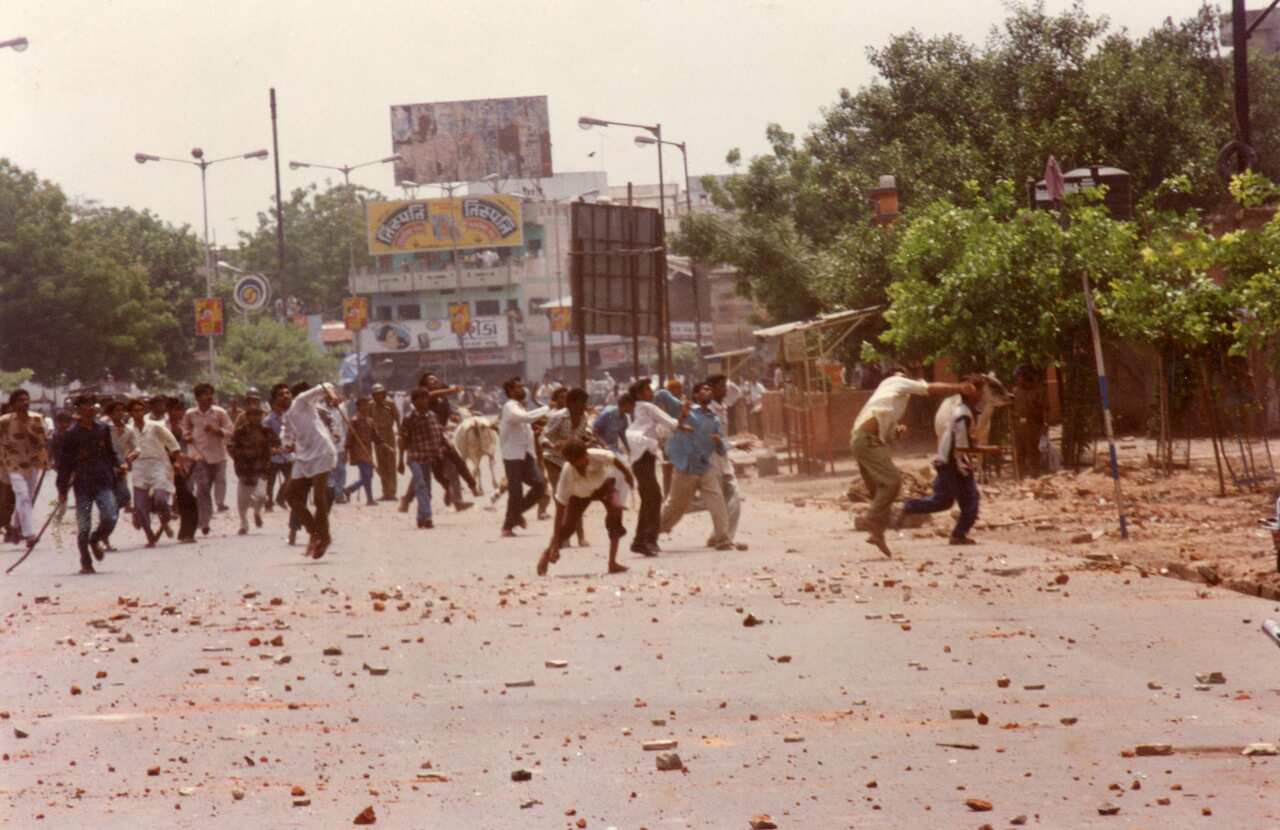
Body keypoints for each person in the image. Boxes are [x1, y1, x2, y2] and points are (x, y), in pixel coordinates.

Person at [850, 368, 974, 556]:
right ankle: (871, 518)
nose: (905, 379)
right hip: (867, 440)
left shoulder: (890, 402)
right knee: (893, 483)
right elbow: (929, 388)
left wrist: (896, 432)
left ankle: (876, 533)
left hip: (861, 440)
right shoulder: (894, 382)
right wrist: (960, 387)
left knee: (880, 492)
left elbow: (888, 434)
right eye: (903, 376)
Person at [901, 375, 1002, 545]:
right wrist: (990, 450)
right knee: (971, 501)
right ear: (972, 393)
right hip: (955, 464)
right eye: (982, 391)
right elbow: (962, 447)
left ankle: (908, 507)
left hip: (948, 462)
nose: (984, 395)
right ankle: (958, 535)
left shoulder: (964, 411)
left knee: (942, 502)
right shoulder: (963, 415)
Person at [537, 440, 635, 576]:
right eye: (572, 463)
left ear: (586, 455)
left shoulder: (595, 455)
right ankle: (546, 555)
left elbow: (614, 459)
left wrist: (628, 475)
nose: (577, 465)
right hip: (580, 495)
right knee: (568, 527)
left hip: (604, 486)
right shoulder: (567, 472)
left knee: (616, 512)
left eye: (580, 460)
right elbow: (560, 508)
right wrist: (554, 545)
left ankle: (612, 563)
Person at [658, 382, 734, 549]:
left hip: (704, 466)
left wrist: (727, 443)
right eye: (704, 389)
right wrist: (681, 412)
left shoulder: (713, 419)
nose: (709, 391)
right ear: (695, 395)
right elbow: (662, 394)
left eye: (710, 389)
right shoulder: (686, 410)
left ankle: (723, 540)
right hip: (686, 467)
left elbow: (720, 446)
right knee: (675, 508)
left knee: (717, 501)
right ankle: (652, 531)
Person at [56, 395, 126, 574]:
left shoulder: (103, 428)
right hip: (83, 484)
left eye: (91, 405)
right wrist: (62, 489)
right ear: (78, 409)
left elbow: (111, 452)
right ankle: (85, 561)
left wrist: (120, 464)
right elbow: (64, 465)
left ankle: (96, 539)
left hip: (104, 480)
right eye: (85, 405)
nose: (89, 408)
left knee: (110, 516)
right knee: (84, 526)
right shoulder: (70, 434)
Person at [283, 382, 342, 558]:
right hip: (303, 458)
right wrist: (287, 446)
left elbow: (325, 385)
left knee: (318, 497)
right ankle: (315, 532)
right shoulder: (287, 417)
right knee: (290, 494)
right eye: (280, 395)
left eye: (286, 393)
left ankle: (324, 537)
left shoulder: (301, 401)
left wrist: (332, 395)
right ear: (273, 401)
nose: (284, 396)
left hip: (322, 451)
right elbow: (286, 438)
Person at [625, 379, 680, 556]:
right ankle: (647, 540)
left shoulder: (636, 409)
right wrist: (684, 416)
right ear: (639, 394)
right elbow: (671, 423)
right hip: (644, 457)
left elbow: (659, 429)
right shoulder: (647, 407)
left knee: (650, 498)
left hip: (639, 458)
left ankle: (641, 540)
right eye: (647, 389)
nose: (651, 391)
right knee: (654, 497)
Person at [540, 387, 594, 547]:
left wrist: (588, 440)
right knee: (562, 498)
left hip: (572, 462)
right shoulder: (558, 417)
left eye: (585, 402)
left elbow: (585, 435)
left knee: (578, 497)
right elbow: (544, 436)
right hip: (554, 461)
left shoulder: (583, 417)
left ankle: (581, 536)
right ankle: (564, 537)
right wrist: (552, 445)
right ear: (571, 404)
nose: (584, 406)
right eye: (581, 403)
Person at [124, 396, 181, 546]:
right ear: (130, 413)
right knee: (141, 508)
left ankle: (166, 519)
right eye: (135, 410)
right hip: (139, 467)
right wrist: (126, 460)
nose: (138, 413)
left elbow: (173, 445)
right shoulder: (128, 430)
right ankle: (150, 536)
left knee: (160, 499)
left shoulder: (156, 426)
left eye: (141, 410)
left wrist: (177, 462)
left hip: (159, 464)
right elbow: (124, 449)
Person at [498, 377, 549, 537]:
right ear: (511, 391)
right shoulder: (510, 406)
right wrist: (548, 407)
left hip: (526, 454)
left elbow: (527, 424)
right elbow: (524, 418)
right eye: (519, 387)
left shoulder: (520, 406)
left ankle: (515, 515)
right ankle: (508, 526)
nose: (523, 390)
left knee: (540, 485)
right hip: (512, 455)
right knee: (516, 492)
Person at [0, 389, 50, 550]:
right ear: (13, 403)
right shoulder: (4, 421)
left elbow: (43, 442)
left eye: (26, 399)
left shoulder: (37, 418)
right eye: (20, 400)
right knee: (22, 495)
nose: (25, 403)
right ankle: (29, 534)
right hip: (12, 462)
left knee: (28, 496)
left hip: (32, 462)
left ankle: (15, 526)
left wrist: (46, 459)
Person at [182, 383, 233, 536]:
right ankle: (204, 521)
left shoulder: (219, 412)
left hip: (218, 455)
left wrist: (217, 431)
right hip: (200, 456)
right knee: (203, 489)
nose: (209, 397)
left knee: (220, 482)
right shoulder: (191, 413)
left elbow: (230, 430)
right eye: (205, 394)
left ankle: (220, 504)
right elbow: (184, 428)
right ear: (198, 398)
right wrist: (188, 436)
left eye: (211, 394)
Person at [707, 375, 749, 550]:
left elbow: (736, 392)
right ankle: (723, 538)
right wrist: (736, 444)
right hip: (711, 459)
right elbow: (713, 440)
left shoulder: (722, 406)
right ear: (712, 389)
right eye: (722, 386)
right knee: (727, 499)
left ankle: (719, 536)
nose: (726, 389)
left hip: (723, 458)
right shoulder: (708, 410)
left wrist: (725, 380)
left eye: (725, 385)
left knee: (726, 499)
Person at [397, 388, 446, 529]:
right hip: (415, 457)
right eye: (421, 398)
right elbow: (402, 440)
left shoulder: (432, 415)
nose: (425, 401)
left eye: (426, 398)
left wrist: (440, 451)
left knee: (426, 490)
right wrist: (400, 460)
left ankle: (420, 518)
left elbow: (438, 435)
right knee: (420, 484)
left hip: (428, 457)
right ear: (414, 401)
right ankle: (428, 515)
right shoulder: (409, 418)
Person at [228, 399, 278, 535]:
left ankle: (256, 511)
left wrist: (276, 449)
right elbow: (231, 447)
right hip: (245, 468)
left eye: (258, 414)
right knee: (242, 500)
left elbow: (276, 443)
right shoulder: (240, 431)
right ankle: (244, 524)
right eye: (252, 414)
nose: (256, 417)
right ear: (247, 416)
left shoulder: (267, 431)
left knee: (262, 495)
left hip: (262, 467)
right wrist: (241, 455)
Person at [344, 397, 389, 506]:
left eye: (366, 405)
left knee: (367, 476)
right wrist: (346, 453)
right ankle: (361, 494)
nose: (365, 407)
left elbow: (375, 436)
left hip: (368, 450)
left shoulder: (370, 420)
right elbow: (349, 438)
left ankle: (354, 491)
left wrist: (384, 444)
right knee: (368, 475)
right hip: (358, 451)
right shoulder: (354, 420)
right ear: (358, 407)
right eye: (363, 405)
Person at [167, 397, 199, 544]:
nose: (179, 413)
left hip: (184, 467)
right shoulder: (164, 427)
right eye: (176, 409)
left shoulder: (182, 427)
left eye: (181, 409)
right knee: (187, 500)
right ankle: (186, 533)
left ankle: (186, 533)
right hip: (168, 467)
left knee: (187, 500)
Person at [1011, 365, 1047, 479]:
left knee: (1033, 453)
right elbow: (1012, 408)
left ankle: (1034, 478)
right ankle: (1020, 478)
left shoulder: (1038, 390)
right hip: (1018, 426)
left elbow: (1045, 409)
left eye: (1020, 376)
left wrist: (1044, 426)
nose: (1018, 379)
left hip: (1033, 425)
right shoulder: (1016, 391)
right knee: (1019, 453)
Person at [264, 384, 293, 510]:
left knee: (291, 479)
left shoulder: (289, 417)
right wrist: (271, 449)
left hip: (287, 454)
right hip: (273, 455)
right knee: (270, 482)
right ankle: (268, 503)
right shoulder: (268, 420)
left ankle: (281, 498)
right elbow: (265, 439)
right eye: (280, 396)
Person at [369, 384, 400, 500]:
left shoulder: (390, 403)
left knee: (391, 463)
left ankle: (392, 491)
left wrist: (401, 432)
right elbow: (368, 419)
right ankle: (385, 491)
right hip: (377, 436)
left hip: (389, 434)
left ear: (384, 394)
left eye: (380, 393)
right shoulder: (370, 405)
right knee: (381, 464)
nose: (378, 396)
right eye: (376, 394)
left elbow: (397, 417)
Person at [592, 393, 634, 458]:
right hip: (601, 448)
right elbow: (595, 432)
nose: (633, 407)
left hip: (612, 448)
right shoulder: (608, 413)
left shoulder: (624, 419)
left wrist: (630, 451)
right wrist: (605, 446)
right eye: (632, 405)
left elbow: (623, 436)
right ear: (626, 404)